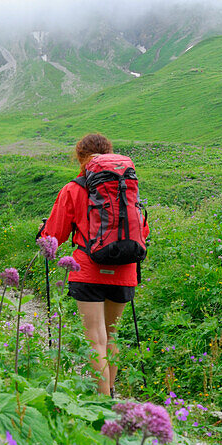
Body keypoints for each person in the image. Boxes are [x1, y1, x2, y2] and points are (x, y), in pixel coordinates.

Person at [39, 133, 147, 397]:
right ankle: (111, 390)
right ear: (109, 153)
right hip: (124, 269)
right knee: (111, 335)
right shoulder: (125, 186)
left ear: (80, 157)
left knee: (94, 337)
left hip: (87, 270)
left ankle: (102, 402)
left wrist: (42, 232)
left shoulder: (74, 189)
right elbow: (140, 229)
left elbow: (55, 235)